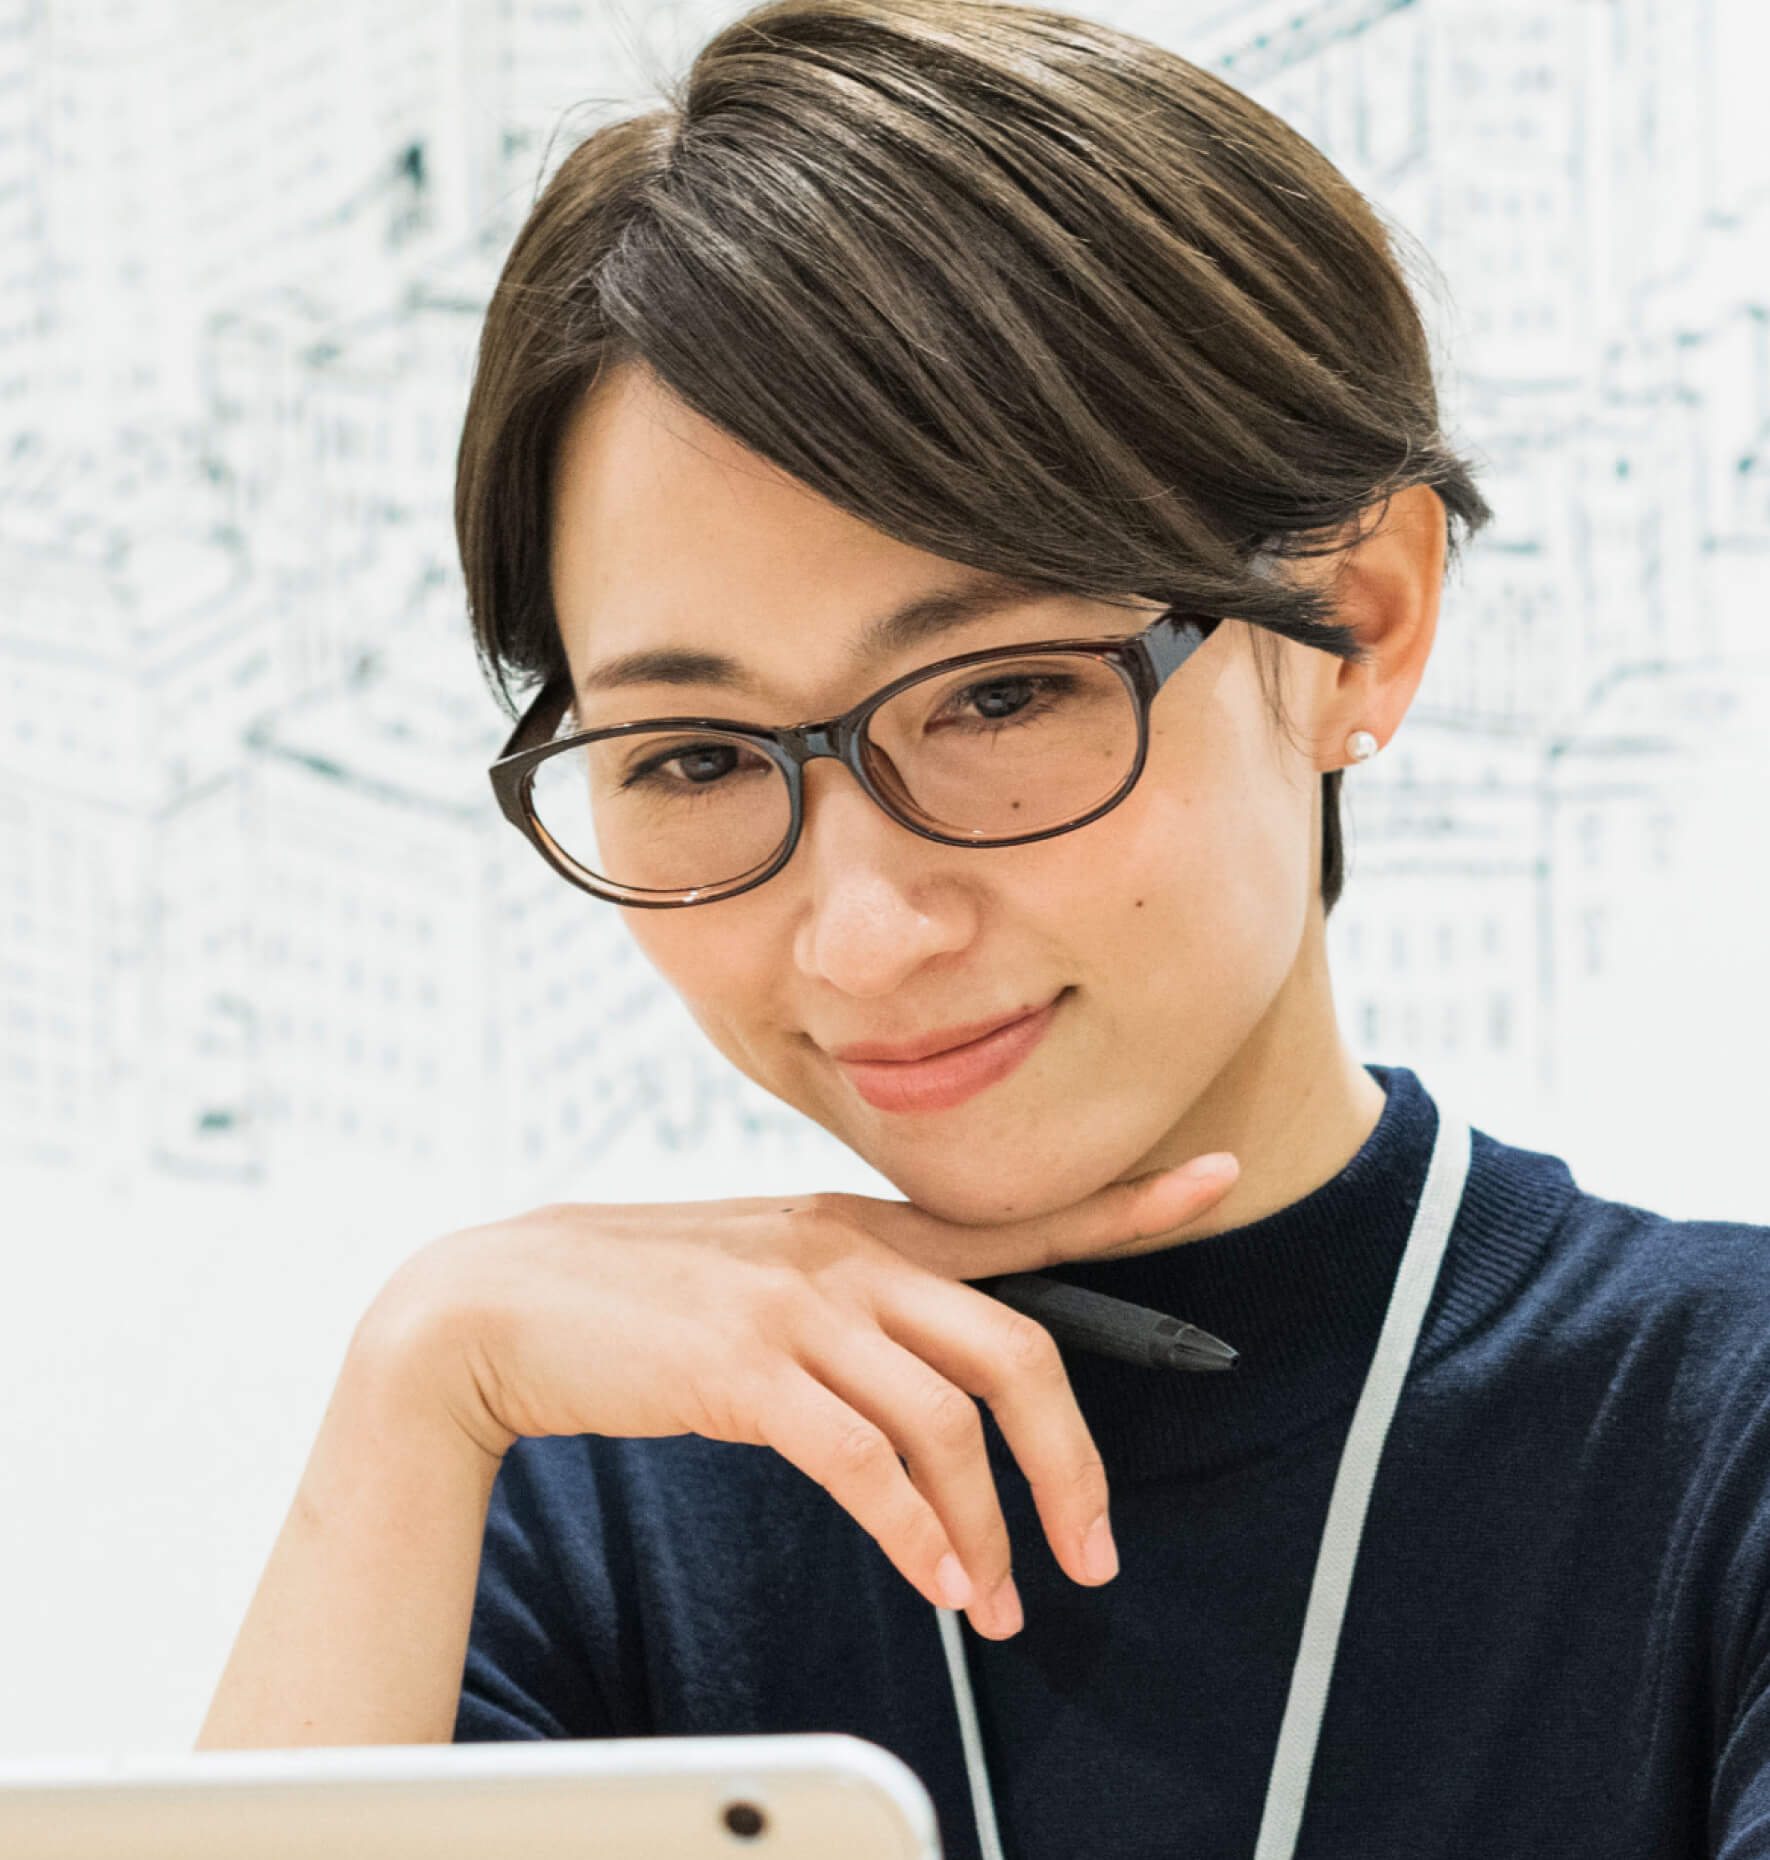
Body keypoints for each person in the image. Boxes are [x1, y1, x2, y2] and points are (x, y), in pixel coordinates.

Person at [198, 3, 1770, 1855]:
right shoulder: (587, 1506)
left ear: (1360, 617)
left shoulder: (1710, 1441)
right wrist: (412, 1385)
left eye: (1002, 697)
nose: (860, 933)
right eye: (693, 754)